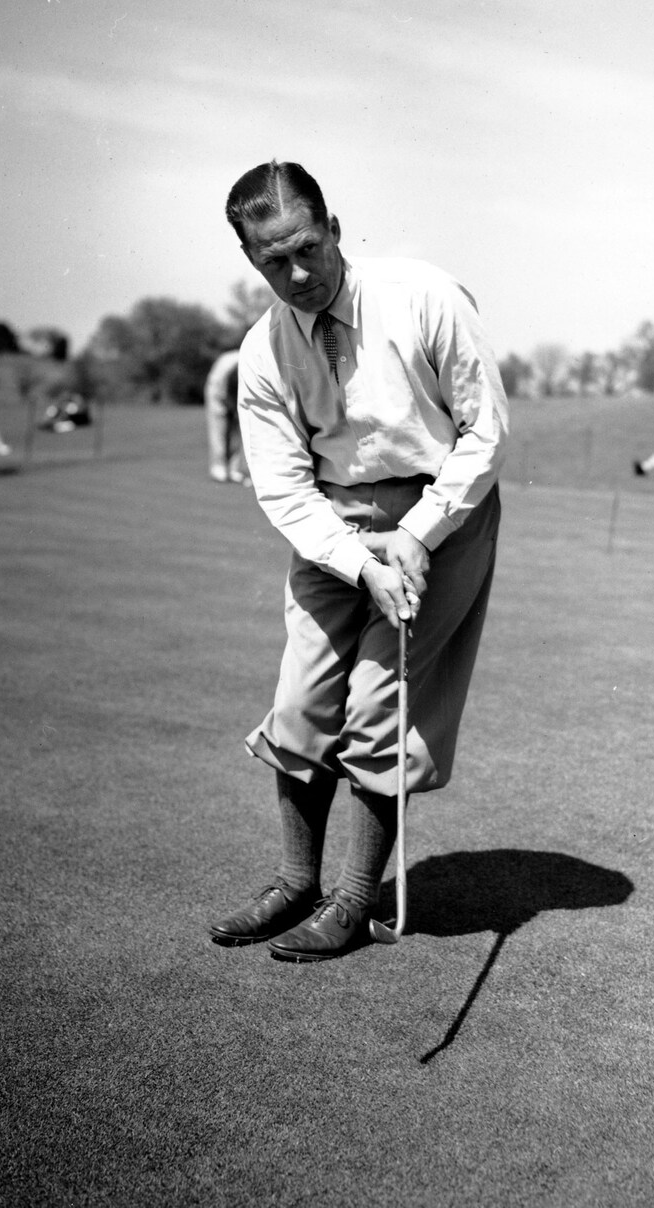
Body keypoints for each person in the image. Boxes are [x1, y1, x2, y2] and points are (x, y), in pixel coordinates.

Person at [209, 160, 508, 962]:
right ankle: (296, 881)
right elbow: (283, 487)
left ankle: (351, 900)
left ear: (335, 228)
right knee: (301, 701)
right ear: (251, 261)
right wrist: (360, 560)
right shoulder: (263, 351)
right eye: (274, 261)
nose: (297, 273)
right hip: (334, 522)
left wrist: (419, 533)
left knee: (381, 706)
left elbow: (484, 434)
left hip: (442, 509)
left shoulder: (425, 297)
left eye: (307, 248)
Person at [203, 347, 248, 484]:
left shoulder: (251, 364)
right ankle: (219, 468)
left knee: (237, 431)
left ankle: (234, 469)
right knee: (219, 430)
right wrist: (233, 408)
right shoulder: (231, 367)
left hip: (236, 394)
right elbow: (228, 391)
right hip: (216, 393)